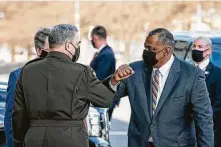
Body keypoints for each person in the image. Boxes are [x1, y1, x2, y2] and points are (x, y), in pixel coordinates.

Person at [12, 24, 117, 147]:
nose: (77, 48)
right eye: (77, 44)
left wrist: (19, 142)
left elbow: (18, 114)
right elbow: (105, 100)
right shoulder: (81, 72)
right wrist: (113, 80)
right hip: (70, 139)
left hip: (34, 138)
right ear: (68, 45)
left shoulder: (27, 71)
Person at [109, 28, 214, 147]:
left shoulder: (191, 75)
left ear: (167, 51)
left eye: (152, 49)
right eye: (145, 47)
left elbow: (204, 118)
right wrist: (114, 79)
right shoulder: (134, 70)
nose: (146, 52)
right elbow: (103, 97)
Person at [4, 27, 50, 147]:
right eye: (49, 50)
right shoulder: (18, 76)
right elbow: (10, 118)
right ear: (39, 50)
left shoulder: (65, 74)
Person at [192, 36, 221, 147]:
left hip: (208, 128)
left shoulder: (218, 73)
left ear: (209, 51)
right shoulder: (185, 71)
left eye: (200, 47)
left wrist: (203, 117)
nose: (196, 49)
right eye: (194, 46)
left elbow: (219, 102)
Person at [90, 25, 118, 120]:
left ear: (95, 38)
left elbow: (99, 77)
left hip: (104, 98)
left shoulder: (106, 55)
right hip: (103, 97)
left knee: (101, 130)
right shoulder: (103, 53)